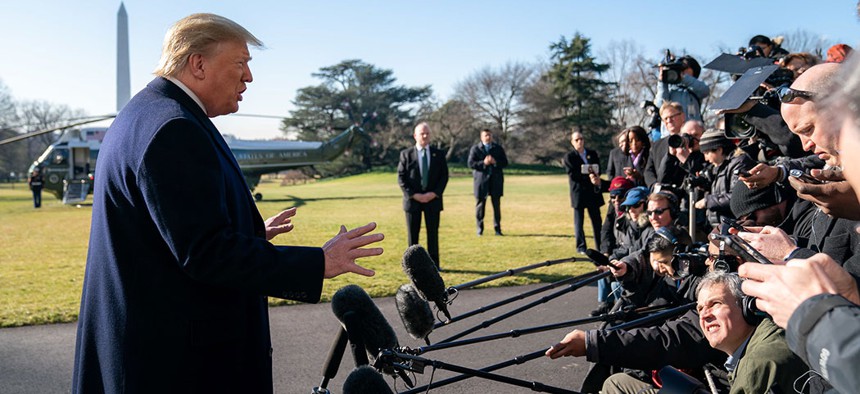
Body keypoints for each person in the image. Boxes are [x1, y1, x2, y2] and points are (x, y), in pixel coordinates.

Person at [72, 14, 384, 393]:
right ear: (198, 63)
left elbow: (173, 230)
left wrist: (246, 231)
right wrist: (318, 262)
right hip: (177, 367)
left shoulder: (148, 113)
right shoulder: (174, 128)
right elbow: (205, 253)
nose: (248, 77)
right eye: (240, 63)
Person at [695, 272, 810, 393]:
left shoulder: (756, 365)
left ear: (748, 308)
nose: (704, 315)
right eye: (700, 309)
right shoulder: (765, 342)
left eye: (715, 304)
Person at [398, 122, 449, 268]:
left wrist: (434, 194)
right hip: (412, 202)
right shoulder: (406, 154)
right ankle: (412, 267)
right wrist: (414, 195)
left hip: (433, 201)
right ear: (415, 136)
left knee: (432, 235)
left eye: (427, 133)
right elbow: (401, 178)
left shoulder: (438, 154)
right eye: (422, 133)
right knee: (412, 237)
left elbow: (444, 177)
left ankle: (434, 265)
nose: (425, 136)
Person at [693, 129, 755, 229]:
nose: (705, 159)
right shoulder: (720, 167)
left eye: (706, 153)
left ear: (719, 149)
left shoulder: (739, 163)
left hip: (735, 226)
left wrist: (708, 201)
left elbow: (737, 196)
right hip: (722, 226)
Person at [563, 131, 604, 254]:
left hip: (593, 193)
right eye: (576, 140)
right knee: (578, 222)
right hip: (579, 193)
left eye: (581, 139)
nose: (579, 141)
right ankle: (581, 246)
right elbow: (573, 174)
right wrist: (589, 175)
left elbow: (598, 170)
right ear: (572, 142)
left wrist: (592, 175)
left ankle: (600, 245)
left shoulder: (592, 154)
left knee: (597, 221)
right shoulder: (569, 157)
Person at [467, 128, 508, 236]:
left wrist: (495, 162)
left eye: (489, 135)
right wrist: (484, 163)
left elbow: (505, 163)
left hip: (496, 181)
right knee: (480, 206)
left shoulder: (498, 149)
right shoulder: (475, 149)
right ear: (481, 137)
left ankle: (497, 229)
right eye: (486, 135)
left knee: (496, 206)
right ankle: (480, 229)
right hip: (481, 182)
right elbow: (471, 163)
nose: (488, 137)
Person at [654, 55, 709, 126]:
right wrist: (662, 82)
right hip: (671, 133)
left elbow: (705, 91)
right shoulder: (670, 89)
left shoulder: (695, 88)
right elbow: (661, 104)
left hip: (691, 131)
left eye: (684, 67)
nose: (681, 70)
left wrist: (683, 78)